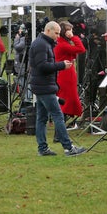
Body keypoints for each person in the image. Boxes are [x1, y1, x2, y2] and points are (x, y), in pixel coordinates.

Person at [29, 21, 86, 157]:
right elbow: (43, 66)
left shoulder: (43, 43)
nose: (57, 36)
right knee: (58, 115)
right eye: (56, 33)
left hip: (42, 85)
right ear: (48, 31)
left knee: (42, 118)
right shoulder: (42, 45)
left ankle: (43, 148)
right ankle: (68, 147)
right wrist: (61, 65)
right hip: (44, 86)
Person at [54, 21, 86, 122]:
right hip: (66, 73)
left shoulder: (60, 42)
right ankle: (62, 119)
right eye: (69, 30)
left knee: (66, 96)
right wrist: (73, 37)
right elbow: (81, 49)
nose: (71, 32)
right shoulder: (62, 44)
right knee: (67, 97)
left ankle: (64, 118)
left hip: (65, 72)